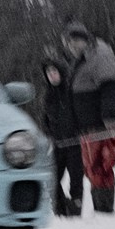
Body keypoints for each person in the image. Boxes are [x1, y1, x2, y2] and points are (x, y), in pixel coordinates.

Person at [61, 21, 115, 213]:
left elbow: (111, 85)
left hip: (101, 124)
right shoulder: (80, 60)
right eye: (69, 43)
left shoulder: (99, 55)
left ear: (85, 40)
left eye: (75, 42)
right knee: (91, 168)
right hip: (86, 126)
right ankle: (100, 208)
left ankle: (104, 209)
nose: (72, 47)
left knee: (101, 167)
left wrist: (110, 117)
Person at [39, 54, 82, 216]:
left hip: (74, 142)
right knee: (52, 177)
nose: (51, 75)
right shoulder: (48, 95)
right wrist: (49, 134)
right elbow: (45, 119)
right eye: (49, 72)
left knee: (76, 179)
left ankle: (76, 208)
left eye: (54, 71)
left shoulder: (72, 90)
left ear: (61, 72)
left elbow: (80, 113)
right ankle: (60, 207)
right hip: (58, 144)